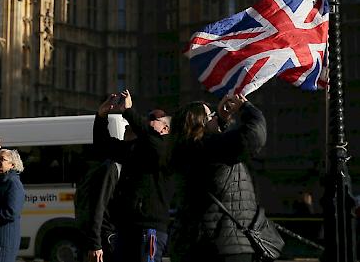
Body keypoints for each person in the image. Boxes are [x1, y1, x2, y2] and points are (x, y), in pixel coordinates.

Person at [169, 93, 266, 262]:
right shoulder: (209, 148)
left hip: (194, 243)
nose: (215, 116)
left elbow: (220, 141)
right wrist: (246, 108)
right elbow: (254, 135)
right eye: (211, 115)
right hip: (223, 245)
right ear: (200, 124)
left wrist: (221, 118)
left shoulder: (187, 149)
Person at [93, 90, 174, 262]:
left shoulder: (166, 148)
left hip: (150, 228)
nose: (147, 121)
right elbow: (104, 146)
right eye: (148, 118)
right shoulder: (136, 148)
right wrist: (101, 116)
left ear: (166, 128)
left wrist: (129, 112)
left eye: (154, 119)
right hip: (126, 226)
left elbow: (150, 139)